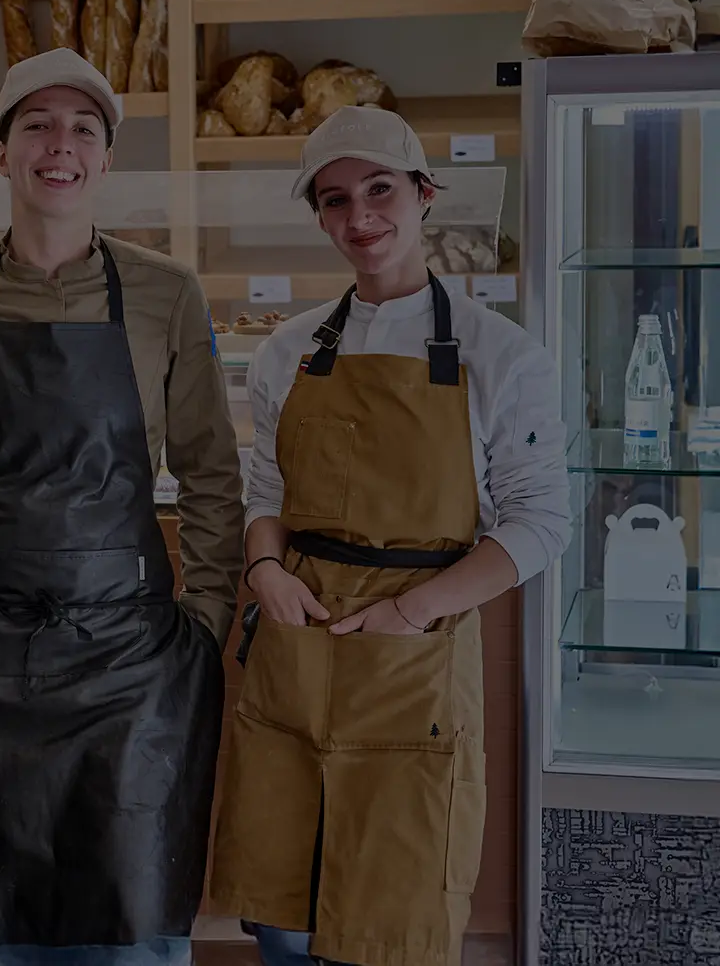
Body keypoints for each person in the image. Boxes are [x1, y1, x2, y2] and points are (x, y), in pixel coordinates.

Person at [0, 48, 240, 966]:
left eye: (83, 129)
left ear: (108, 158)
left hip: (128, 665)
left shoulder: (166, 292)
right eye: (38, 126)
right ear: (2, 152)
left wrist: (202, 621)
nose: (61, 146)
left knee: (124, 919)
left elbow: (211, 469)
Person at [208, 107, 570, 966]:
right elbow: (267, 492)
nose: (360, 217)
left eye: (380, 190)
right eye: (335, 201)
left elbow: (540, 522)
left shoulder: (502, 355)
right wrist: (264, 566)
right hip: (298, 641)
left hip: (418, 655)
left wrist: (412, 612)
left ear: (424, 194)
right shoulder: (288, 350)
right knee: (281, 921)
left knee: (389, 921)